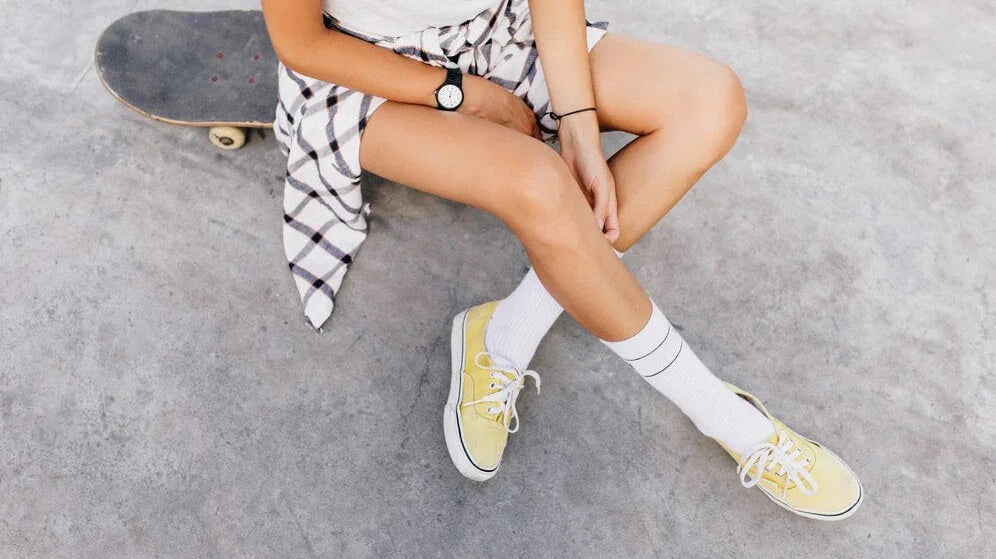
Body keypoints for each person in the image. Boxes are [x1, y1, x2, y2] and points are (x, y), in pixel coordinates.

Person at [260, 0, 863, 520]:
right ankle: (727, 418)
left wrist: (577, 124)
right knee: (541, 186)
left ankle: (502, 333)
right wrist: (461, 94)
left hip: (493, 29)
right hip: (365, 73)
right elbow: (302, 41)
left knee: (710, 102)